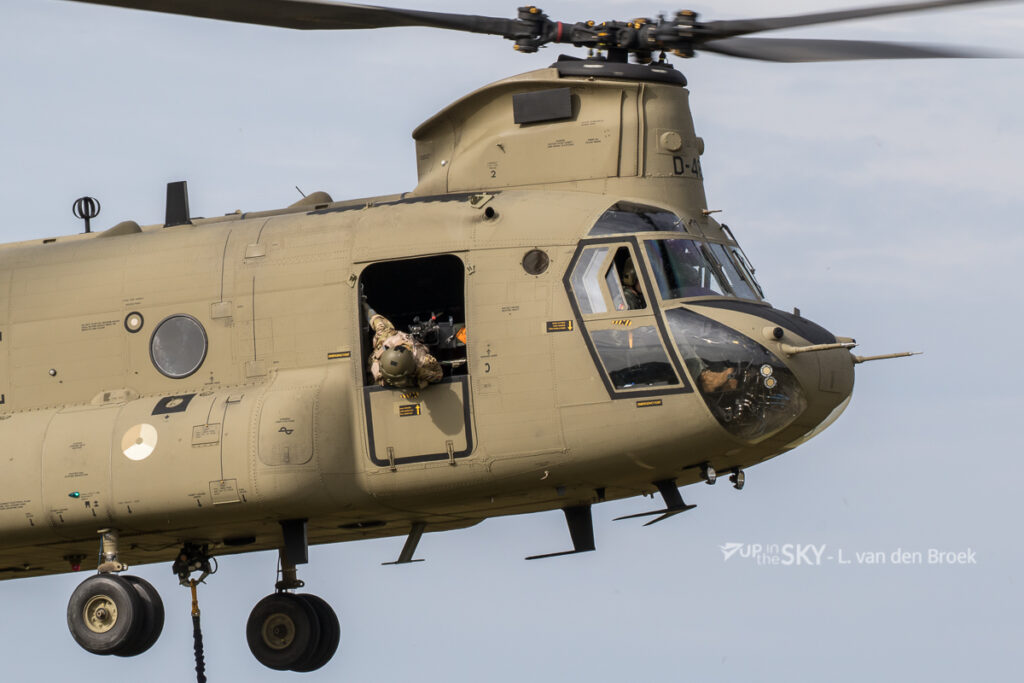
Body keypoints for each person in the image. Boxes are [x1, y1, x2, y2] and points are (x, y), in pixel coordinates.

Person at [365, 304, 443, 389]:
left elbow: (438, 376)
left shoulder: (423, 361)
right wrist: (364, 304)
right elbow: (375, 319)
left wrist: (421, 373)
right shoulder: (384, 338)